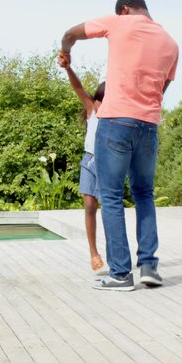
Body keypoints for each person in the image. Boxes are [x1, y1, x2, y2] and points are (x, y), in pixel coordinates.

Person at [58, 0, 179, 292]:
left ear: (124, 10)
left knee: (111, 196)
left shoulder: (119, 23)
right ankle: (149, 266)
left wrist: (66, 51)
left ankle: (121, 274)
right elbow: (163, 86)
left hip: (116, 123)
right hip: (149, 125)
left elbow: (71, 33)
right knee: (144, 194)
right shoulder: (171, 43)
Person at [62, 63, 108, 274]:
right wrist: (68, 68)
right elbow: (78, 87)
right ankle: (93, 253)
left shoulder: (115, 114)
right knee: (90, 205)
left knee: (109, 210)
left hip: (109, 164)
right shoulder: (92, 109)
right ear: (97, 100)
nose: (100, 104)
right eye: (100, 100)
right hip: (90, 161)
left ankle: (115, 253)